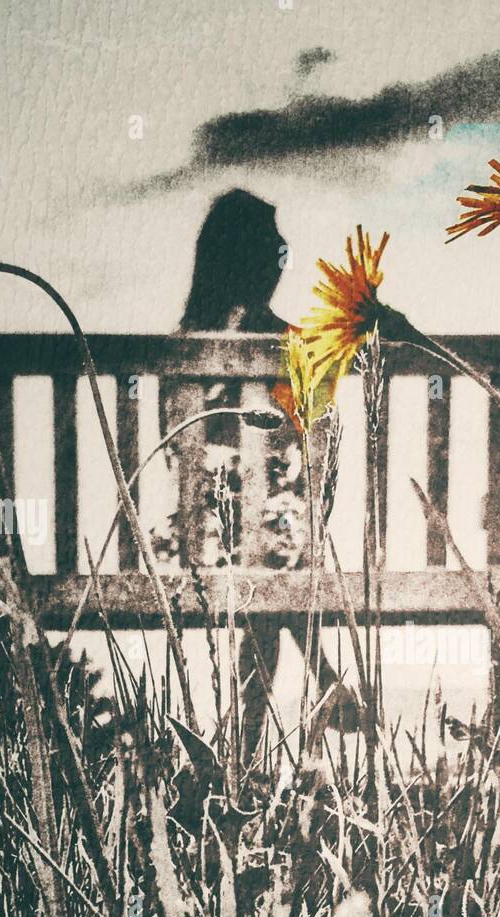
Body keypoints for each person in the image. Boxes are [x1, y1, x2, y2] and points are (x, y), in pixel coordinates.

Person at [174, 190, 344, 759]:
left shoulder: (183, 342)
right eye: (275, 245)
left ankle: (241, 759)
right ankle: (324, 681)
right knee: (275, 559)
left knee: (268, 563)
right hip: (247, 531)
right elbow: (305, 442)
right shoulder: (292, 344)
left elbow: (177, 446)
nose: (282, 252)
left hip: (200, 534)